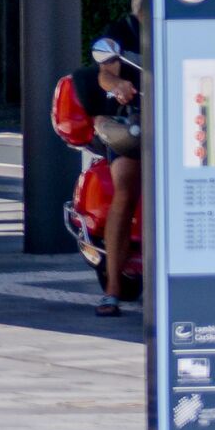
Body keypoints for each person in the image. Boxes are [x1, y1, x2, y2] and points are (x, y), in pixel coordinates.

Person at [86, 30, 143, 315]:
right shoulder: (128, 35)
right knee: (126, 187)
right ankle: (113, 289)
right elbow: (104, 72)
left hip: (190, 116)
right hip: (138, 119)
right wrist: (119, 84)